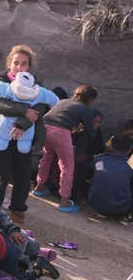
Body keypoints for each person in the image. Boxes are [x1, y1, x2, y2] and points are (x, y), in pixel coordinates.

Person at [0, 73, 59, 223]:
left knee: (23, 177)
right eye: (16, 62)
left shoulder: (38, 89)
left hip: (26, 137)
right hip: (2, 137)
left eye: (23, 63)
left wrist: (21, 125)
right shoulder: (1, 82)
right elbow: (0, 105)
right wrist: (24, 111)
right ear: (10, 64)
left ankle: (17, 210)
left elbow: (38, 111)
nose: (19, 66)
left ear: (29, 67)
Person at [33, 84, 98, 212]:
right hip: (60, 132)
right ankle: (64, 201)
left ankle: (39, 188)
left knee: (47, 157)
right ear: (90, 100)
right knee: (67, 166)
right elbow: (90, 131)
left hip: (44, 128)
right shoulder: (85, 108)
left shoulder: (63, 101)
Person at [89, 134, 133, 219]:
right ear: (130, 150)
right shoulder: (131, 163)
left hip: (95, 205)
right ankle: (127, 216)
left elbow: (89, 173)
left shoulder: (100, 158)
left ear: (111, 146)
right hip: (122, 209)